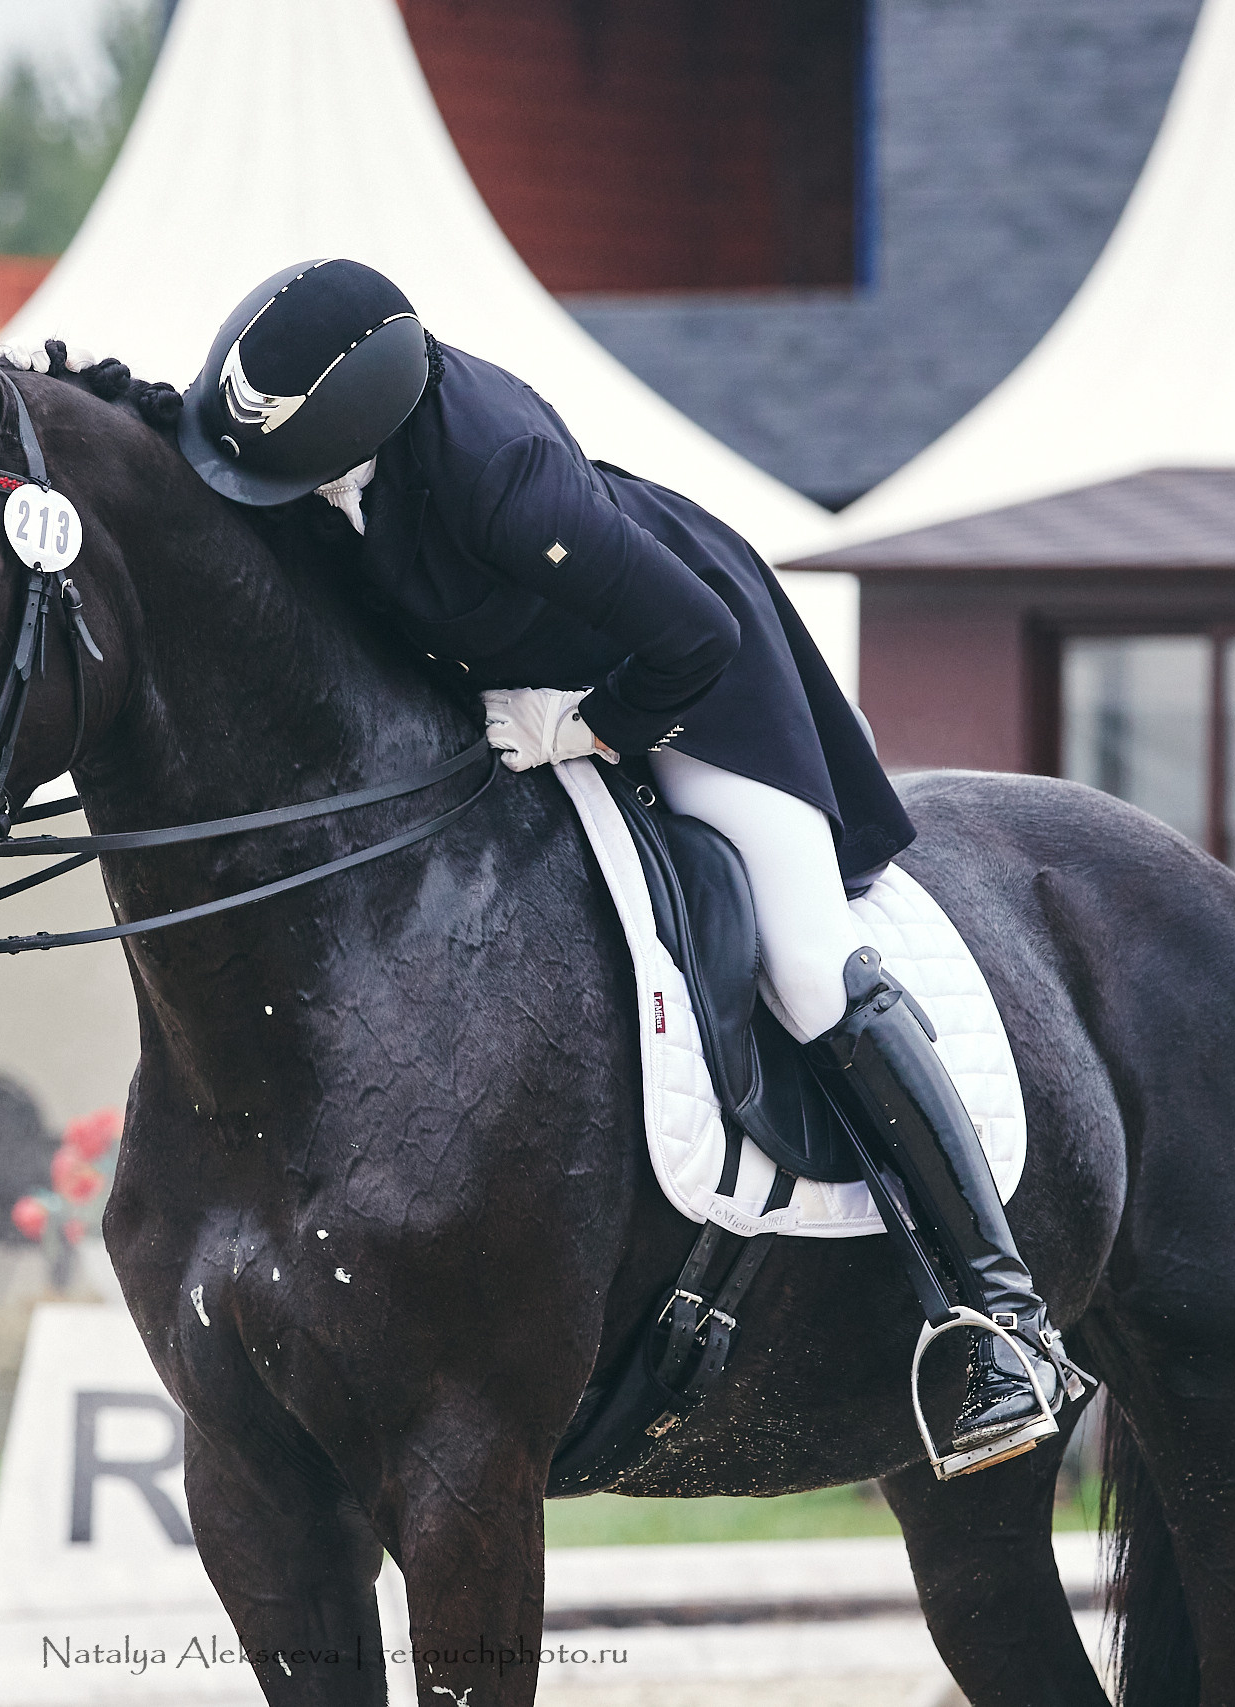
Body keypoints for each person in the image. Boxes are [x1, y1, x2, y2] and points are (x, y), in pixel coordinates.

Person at [166, 259, 1086, 1472]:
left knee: (807, 963)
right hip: (522, 679)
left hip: (685, 682)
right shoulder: (333, 458)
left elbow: (693, 640)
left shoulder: (501, 481)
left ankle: (995, 1309)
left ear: (353, 426)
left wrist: (579, 724)